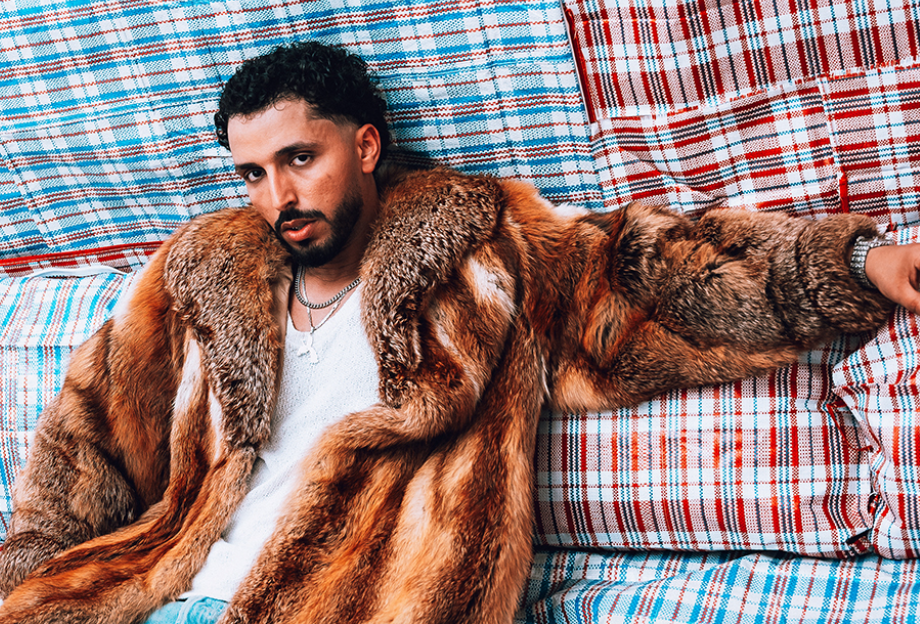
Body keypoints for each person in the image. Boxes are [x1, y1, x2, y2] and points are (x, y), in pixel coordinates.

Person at [0, 40, 918, 624]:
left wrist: (855, 263)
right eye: (252, 173)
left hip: (365, 600)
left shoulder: (481, 252)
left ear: (365, 145)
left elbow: (653, 277)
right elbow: (89, 434)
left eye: (299, 158)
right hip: (164, 593)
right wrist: (29, 572)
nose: (278, 196)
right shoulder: (203, 271)